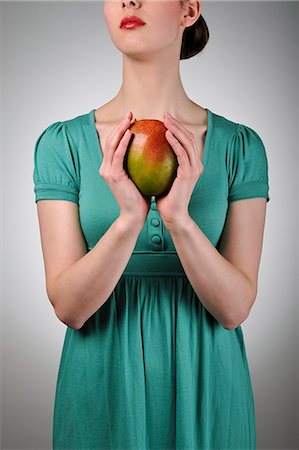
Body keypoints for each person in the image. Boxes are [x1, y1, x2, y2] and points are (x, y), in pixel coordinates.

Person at [33, 0, 270, 449]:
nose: (128, 1)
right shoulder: (61, 145)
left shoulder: (241, 147)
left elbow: (235, 307)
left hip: (210, 390)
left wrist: (178, 218)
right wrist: (128, 220)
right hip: (100, 390)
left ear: (189, 10)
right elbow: (69, 306)